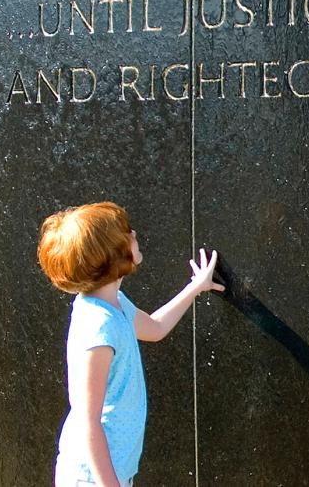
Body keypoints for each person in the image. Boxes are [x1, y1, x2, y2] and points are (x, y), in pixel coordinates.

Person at [37, 201, 222, 487]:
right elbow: (89, 422)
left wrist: (196, 287)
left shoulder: (114, 304)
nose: (134, 233)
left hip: (113, 472)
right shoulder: (98, 328)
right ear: (110, 256)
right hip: (90, 480)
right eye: (126, 233)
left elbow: (156, 328)